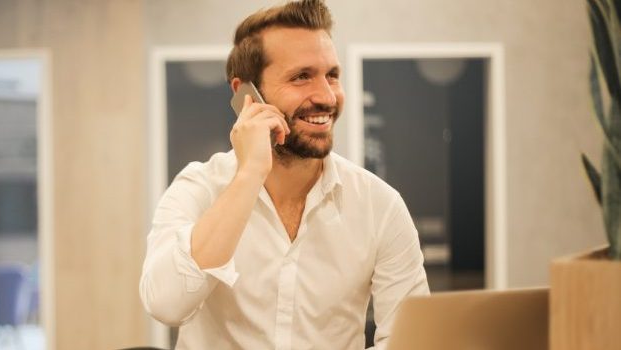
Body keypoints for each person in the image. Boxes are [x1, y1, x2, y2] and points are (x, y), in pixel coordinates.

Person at [139, 1, 429, 349]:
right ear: (246, 95)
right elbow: (166, 305)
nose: (325, 96)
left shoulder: (380, 207)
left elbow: (410, 341)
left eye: (332, 75)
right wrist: (249, 174)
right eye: (301, 76)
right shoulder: (198, 188)